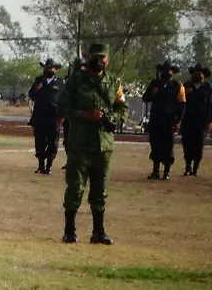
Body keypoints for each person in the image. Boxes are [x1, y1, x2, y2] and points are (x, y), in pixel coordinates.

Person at [58, 43, 126, 245]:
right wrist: (85, 114)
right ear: (88, 58)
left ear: (107, 59)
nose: (98, 61)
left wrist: (112, 118)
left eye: (102, 57)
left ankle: (98, 232)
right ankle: (69, 230)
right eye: (94, 57)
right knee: (75, 187)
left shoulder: (114, 81)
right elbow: (62, 107)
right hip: (80, 143)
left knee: (100, 189)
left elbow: (122, 108)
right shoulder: (75, 81)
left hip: (103, 145)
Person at [142, 61, 185, 180]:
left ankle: (166, 172)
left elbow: (181, 105)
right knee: (155, 145)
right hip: (156, 119)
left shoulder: (177, 86)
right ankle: (155, 171)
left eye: (169, 70)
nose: (167, 72)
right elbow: (145, 98)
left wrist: (178, 121)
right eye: (165, 70)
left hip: (169, 120)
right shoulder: (155, 83)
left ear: (173, 72)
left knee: (168, 146)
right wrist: (152, 93)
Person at [28, 58, 65, 174]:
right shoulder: (38, 81)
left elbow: (64, 100)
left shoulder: (60, 82)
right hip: (40, 115)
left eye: (51, 68)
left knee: (53, 142)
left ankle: (49, 166)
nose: (49, 69)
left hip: (54, 116)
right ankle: (41, 166)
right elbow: (31, 95)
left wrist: (63, 115)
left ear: (55, 69)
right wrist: (36, 89)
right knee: (39, 141)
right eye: (47, 67)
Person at [181, 64, 211, 176]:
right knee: (187, 144)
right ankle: (187, 167)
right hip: (188, 119)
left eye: (200, 72)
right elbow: (180, 101)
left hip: (201, 120)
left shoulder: (208, 88)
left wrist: (210, 120)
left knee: (199, 144)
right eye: (196, 72)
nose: (198, 74)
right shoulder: (186, 86)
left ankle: (195, 169)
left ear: (204, 75)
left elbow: (210, 105)